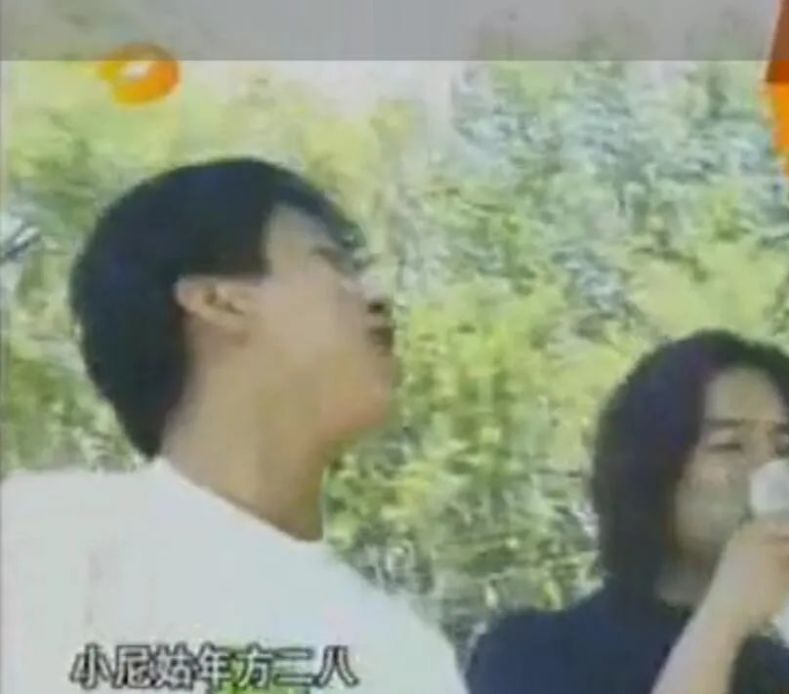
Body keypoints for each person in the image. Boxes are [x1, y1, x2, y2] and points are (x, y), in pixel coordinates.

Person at [0, 158, 468, 694]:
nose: (379, 299)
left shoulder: (406, 656)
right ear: (218, 301)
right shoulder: (46, 540)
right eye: (332, 263)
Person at [466, 330, 789, 694]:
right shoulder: (534, 651)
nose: (767, 469)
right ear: (653, 467)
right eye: (730, 445)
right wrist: (723, 618)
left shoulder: (780, 674)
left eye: (784, 449)